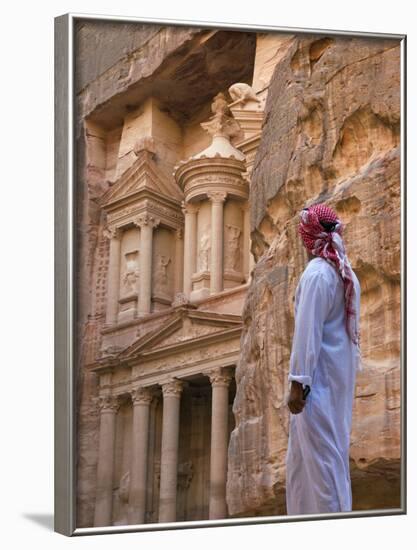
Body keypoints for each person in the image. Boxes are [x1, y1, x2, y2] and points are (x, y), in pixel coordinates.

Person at [285, 202, 362, 515]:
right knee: (305, 465)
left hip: (316, 387)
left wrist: (298, 384)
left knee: (323, 465)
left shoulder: (317, 274)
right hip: (333, 382)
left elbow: (307, 333)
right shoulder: (343, 272)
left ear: (309, 237)